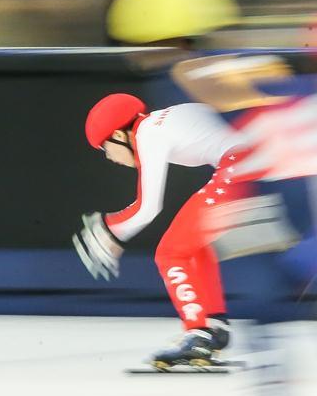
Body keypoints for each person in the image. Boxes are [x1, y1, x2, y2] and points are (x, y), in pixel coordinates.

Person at [73, 93, 298, 368]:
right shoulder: (164, 120)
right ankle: (213, 326)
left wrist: (107, 230)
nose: (109, 157)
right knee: (194, 245)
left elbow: (147, 208)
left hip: (240, 166)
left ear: (119, 135)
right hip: (259, 161)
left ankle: (198, 334)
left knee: (170, 253)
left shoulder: (148, 133)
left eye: (104, 148)